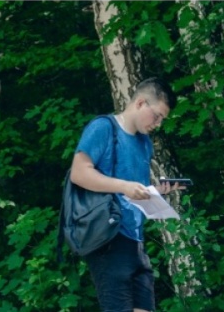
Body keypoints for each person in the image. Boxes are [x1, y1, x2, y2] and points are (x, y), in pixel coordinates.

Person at [70, 78, 180, 312]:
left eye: (163, 119)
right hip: (108, 236)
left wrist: (156, 192)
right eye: (157, 116)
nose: (158, 124)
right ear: (141, 103)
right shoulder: (103, 128)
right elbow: (79, 173)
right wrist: (124, 186)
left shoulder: (144, 142)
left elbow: (133, 188)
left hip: (135, 240)